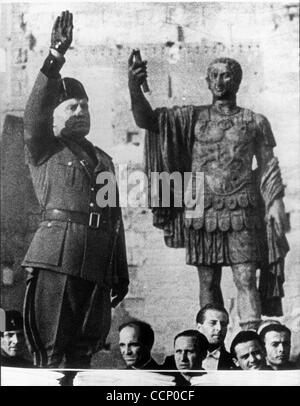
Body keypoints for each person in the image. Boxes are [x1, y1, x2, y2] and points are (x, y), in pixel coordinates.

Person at [128, 51, 289, 330]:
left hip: (243, 205)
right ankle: (209, 343)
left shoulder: (255, 121)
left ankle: (248, 339)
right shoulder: (191, 117)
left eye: (226, 75)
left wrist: (275, 203)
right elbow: (147, 121)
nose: (219, 81)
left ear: (237, 81)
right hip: (202, 206)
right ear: (206, 81)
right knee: (207, 281)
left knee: (246, 278)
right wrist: (134, 85)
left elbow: (267, 166)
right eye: (213, 75)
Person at [22, 11, 128, 368]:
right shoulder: (43, 147)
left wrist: (120, 271)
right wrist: (55, 56)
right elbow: (34, 112)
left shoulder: (104, 160)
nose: (81, 110)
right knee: (52, 350)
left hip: (97, 262)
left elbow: (114, 219)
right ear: (54, 115)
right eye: (72, 106)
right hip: (58, 257)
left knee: (85, 351)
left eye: (85, 105)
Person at [196, 304, 235, 370]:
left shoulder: (233, 362)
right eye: (213, 323)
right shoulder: (182, 360)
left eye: (223, 324)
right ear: (199, 327)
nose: (219, 328)